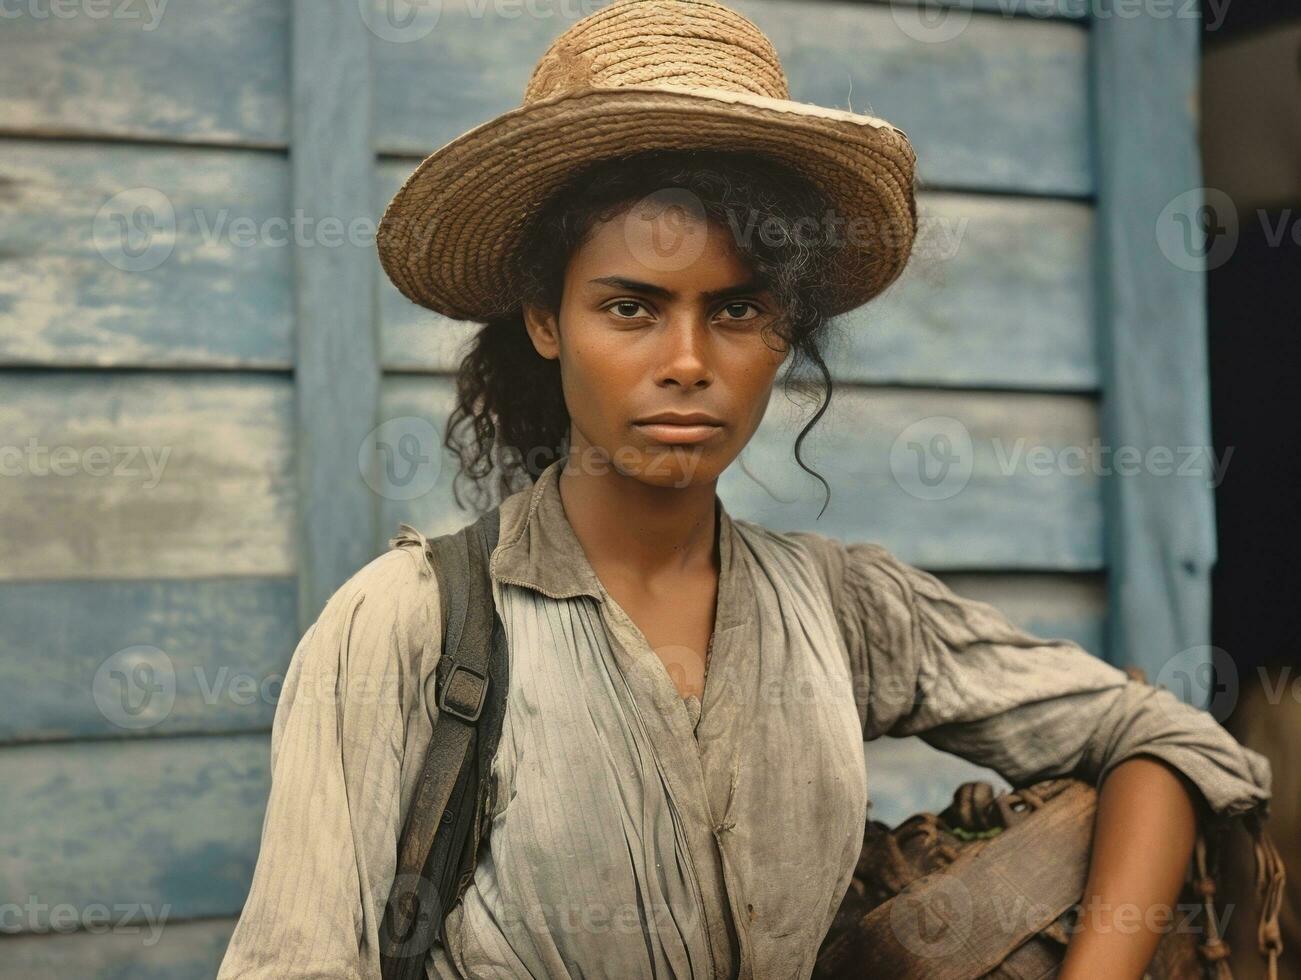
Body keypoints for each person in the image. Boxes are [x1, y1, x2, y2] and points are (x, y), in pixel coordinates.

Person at [217, 1, 1274, 978]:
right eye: (629, 308)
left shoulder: (844, 608)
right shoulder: (405, 628)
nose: (685, 359)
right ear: (544, 320)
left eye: (734, 309)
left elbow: (1156, 734)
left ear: (786, 330)